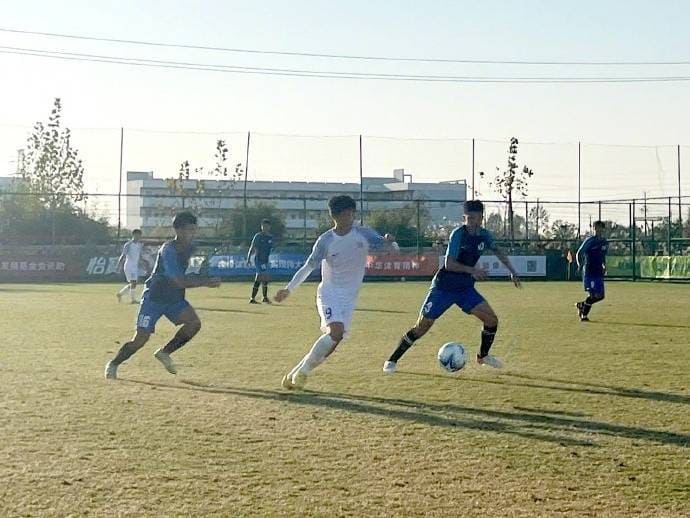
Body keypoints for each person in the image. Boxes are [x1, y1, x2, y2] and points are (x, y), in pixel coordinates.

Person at [382, 200, 521, 374]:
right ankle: (392, 360)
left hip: (465, 289)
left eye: (476, 218)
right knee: (422, 326)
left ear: (481, 218)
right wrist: (472, 270)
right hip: (443, 287)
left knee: (491, 320)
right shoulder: (458, 234)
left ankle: (483, 356)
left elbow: (499, 251)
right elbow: (449, 264)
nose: (473, 222)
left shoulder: (485, 235)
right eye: (469, 218)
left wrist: (512, 271)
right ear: (464, 218)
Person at [275, 195, 397, 390]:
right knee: (336, 332)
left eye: (352, 213)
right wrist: (288, 289)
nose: (350, 217)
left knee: (334, 340)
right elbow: (308, 267)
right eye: (346, 213)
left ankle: (294, 374)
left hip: (349, 298)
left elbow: (391, 249)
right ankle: (303, 373)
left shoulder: (364, 234)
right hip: (329, 292)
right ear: (336, 216)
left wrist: (391, 243)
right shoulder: (325, 240)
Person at [105, 212, 221, 380]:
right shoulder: (168, 250)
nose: (193, 233)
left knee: (193, 323)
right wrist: (205, 282)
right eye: (189, 229)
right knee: (140, 339)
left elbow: (189, 272)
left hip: (174, 298)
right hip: (154, 297)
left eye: (194, 229)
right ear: (178, 230)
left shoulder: (190, 247)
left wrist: (204, 272)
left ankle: (164, 352)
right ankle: (113, 363)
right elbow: (178, 281)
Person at [575, 220, 608, 322]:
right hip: (589, 271)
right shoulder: (590, 240)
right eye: (596, 228)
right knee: (593, 295)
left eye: (600, 228)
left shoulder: (604, 242)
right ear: (593, 229)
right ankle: (584, 316)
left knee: (601, 296)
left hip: (598, 271)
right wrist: (579, 265)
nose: (598, 230)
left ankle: (582, 305)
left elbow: (602, 256)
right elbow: (579, 253)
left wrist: (604, 266)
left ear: (603, 229)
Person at [247, 219, 274, 304]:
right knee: (262, 276)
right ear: (261, 227)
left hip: (265, 260)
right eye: (263, 226)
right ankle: (254, 298)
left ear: (269, 227)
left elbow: (271, 248)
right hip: (259, 260)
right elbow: (252, 247)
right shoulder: (258, 236)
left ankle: (262, 298)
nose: (265, 228)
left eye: (267, 226)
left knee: (263, 278)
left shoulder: (270, 237)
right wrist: (248, 258)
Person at [116, 229, 144, 304]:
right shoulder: (128, 244)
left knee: (133, 283)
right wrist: (119, 265)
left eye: (139, 235)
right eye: (137, 235)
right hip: (129, 266)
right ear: (133, 235)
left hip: (135, 266)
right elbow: (123, 255)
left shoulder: (139, 245)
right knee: (133, 282)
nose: (138, 237)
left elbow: (139, 256)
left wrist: (143, 264)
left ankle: (120, 294)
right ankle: (133, 300)